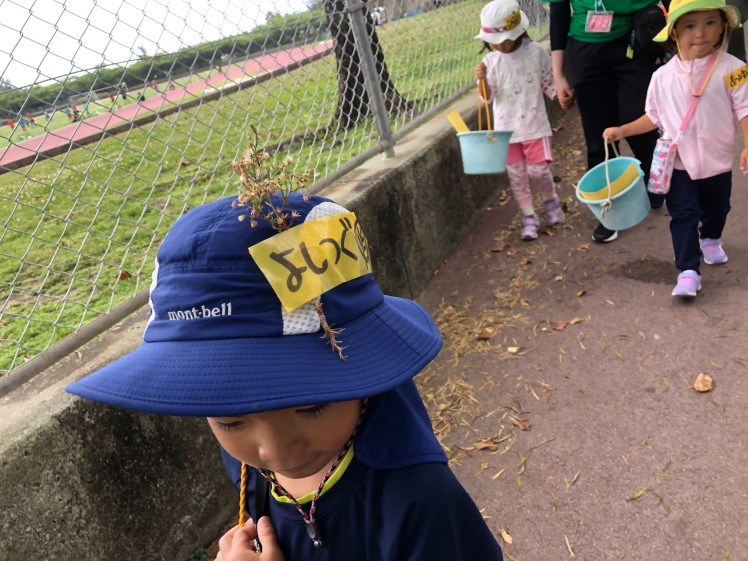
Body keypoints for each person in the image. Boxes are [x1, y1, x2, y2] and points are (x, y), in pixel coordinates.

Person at [66, 192, 505, 561]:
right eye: (229, 420)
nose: (273, 452)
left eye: (311, 407)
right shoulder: (247, 462)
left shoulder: (422, 505)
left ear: (368, 375)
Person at [602, 0, 748, 297]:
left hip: (717, 162)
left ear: (722, 27)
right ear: (674, 33)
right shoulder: (662, 77)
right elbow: (654, 116)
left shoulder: (736, 69)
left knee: (718, 207)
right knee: (682, 215)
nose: (700, 33)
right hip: (679, 163)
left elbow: (745, 107)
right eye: (690, 26)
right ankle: (688, 271)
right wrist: (623, 130)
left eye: (710, 23)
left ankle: (710, 239)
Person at [544, 0, 667, 243]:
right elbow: (558, 15)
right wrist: (558, 76)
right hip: (585, 51)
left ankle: (655, 182)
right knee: (599, 136)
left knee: (638, 123)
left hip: (634, 41)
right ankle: (608, 210)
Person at [475, 0, 565, 241]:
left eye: (504, 39)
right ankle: (528, 216)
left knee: (538, 171)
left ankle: (550, 201)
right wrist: (482, 80)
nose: (500, 45)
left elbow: (548, 81)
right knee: (516, 176)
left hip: (535, 126)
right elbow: (487, 98)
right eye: (495, 41)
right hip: (506, 131)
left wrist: (561, 94)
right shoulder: (490, 63)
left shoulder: (535, 53)